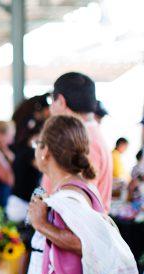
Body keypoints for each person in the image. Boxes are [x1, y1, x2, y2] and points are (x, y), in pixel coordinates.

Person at [24, 115, 106, 274]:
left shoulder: (70, 195)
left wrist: (41, 224)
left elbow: (84, 242)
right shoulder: (73, 188)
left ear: (46, 151)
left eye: (38, 143)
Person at [43, 72, 112, 211]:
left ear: (61, 101)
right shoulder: (89, 136)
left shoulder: (84, 141)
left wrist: (41, 223)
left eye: (52, 101)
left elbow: (77, 208)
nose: (50, 109)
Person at [7, 94, 49, 274]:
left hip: (18, 203)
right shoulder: (28, 154)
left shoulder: (21, 150)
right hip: (20, 205)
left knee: (23, 250)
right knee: (24, 251)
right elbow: (45, 167)